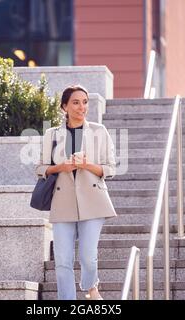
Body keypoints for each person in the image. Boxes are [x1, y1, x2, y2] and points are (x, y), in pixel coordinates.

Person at [36, 85, 117, 300]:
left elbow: (110, 168)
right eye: (76, 102)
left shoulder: (99, 131)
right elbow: (40, 168)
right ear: (64, 106)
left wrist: (86, 165)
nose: (82, 107)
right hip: (62, 202)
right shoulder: (51, 134)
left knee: (88, 256)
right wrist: (60, 167)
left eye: (85, 102)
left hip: (94, 201)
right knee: (62, 259)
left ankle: (91, 287)